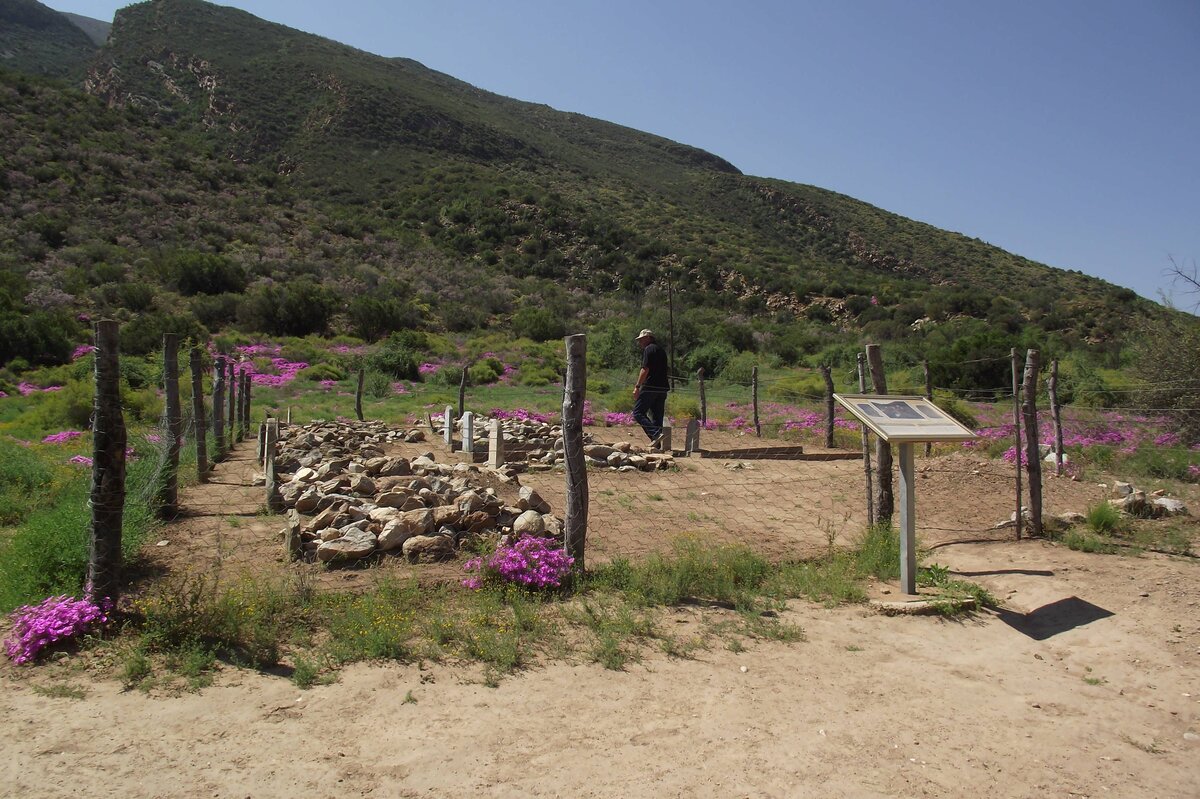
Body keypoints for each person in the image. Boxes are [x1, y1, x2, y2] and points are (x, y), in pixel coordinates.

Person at [632, 328, 669, 449]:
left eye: (641, 339)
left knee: (638, 412)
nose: (640, 342)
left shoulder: (649, 349)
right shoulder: (661, 350)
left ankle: (655, 434)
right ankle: (656, 445)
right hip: (662, 388)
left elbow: (645, 369)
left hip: (650, 386)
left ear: (648, 338)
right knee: (657, 416)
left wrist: (637, 386)